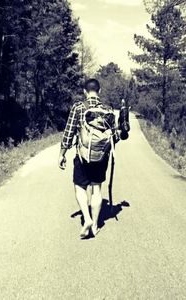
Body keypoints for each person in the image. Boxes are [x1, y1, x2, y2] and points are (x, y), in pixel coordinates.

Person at [58, 78, 119, 239]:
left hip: (82, 157)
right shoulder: (107, 109)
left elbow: (68, 133)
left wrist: (62, 154)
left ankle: (87, 218)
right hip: (101, 158)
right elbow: (115, 137)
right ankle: (96, 225)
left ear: (85, 91)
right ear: (99, 91)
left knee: (80, 187)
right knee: (97, 189)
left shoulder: (79, 107)